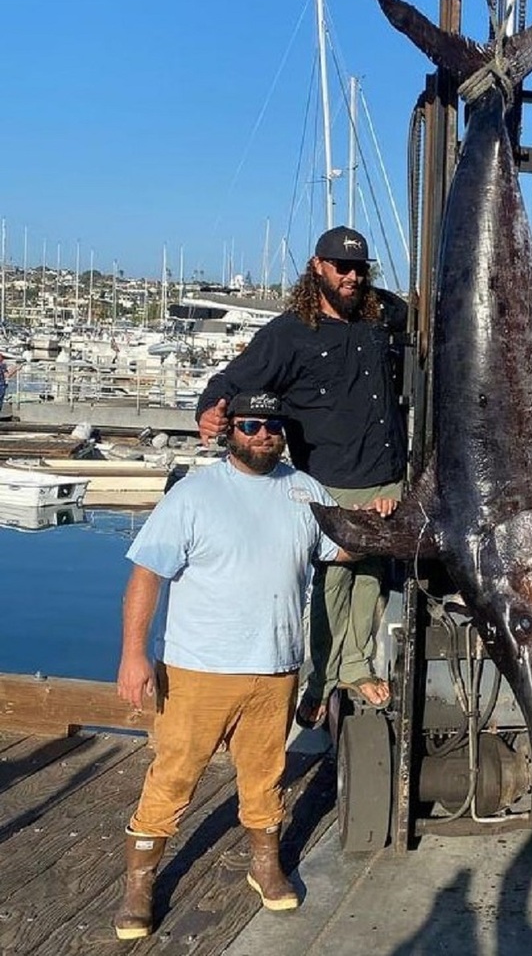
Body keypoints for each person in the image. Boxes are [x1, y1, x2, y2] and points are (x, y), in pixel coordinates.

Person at [113, 390, 384, 941]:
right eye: (252, 425)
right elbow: (147, 574)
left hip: (276, 668)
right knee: (173, 776)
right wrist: (133, 653)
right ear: (229, 430)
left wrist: (375, 522)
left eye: (274, 425)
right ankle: (138, 885)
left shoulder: (305, 490)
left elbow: (342, 550)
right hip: (198, 670)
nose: (264, 435)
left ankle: (265, 865)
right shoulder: (194, 494)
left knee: (265, 776)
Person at [196, 227, 407, 729]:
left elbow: (434, 319)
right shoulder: (289, 334)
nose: (352, 276)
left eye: (359, 268)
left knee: (370, 580)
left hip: (386, 476)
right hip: (327, 481)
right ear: (318, 267)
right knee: (332, 581)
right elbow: (233, 379)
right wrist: (210, 408)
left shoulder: (383, 316)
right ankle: (321, 679)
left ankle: (353, 667)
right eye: (341, 267)